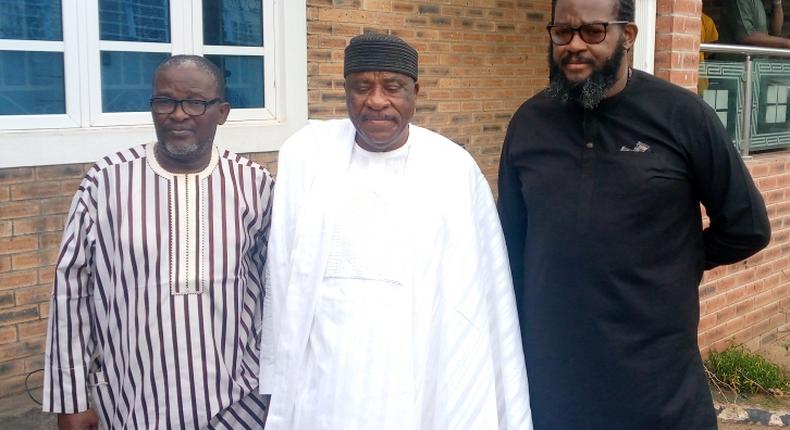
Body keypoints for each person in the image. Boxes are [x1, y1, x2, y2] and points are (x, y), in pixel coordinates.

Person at [497, 0, 771, 428]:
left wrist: (672, 262)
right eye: (562, 32)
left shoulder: (683, 116)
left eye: (592, 32)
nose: (574, 46)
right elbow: (512, 241)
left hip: (656, 383)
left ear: (628, 36)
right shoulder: (530, 123)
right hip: (552, 379)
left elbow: (747, 228)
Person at [260, 32, 532, 429]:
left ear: (415, 92)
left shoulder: (452, 169)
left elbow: (481, 293)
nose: (376, 101)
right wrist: (278, 378)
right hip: (328, 379)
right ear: (345, 90)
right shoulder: (308, 157)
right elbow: (283, 275)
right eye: (361, 87)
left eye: (393, 87)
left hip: (419, 370)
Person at [42, 55, 273, 429]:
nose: (178, 114)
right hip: (133, 402)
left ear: (223, 112)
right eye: (164, 101)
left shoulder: (255, 185)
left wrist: (277, 383)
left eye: (195, 103)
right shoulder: (105, 184)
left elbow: (276, 291)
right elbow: (71, 294)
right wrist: (71, 400)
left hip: (237, 403)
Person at [720, 0, 790, 48]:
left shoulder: (759, 2)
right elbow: (745, 36)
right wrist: (786, 42)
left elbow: (776, 31)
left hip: (756, 66)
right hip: (737, 65)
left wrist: (777, 2)